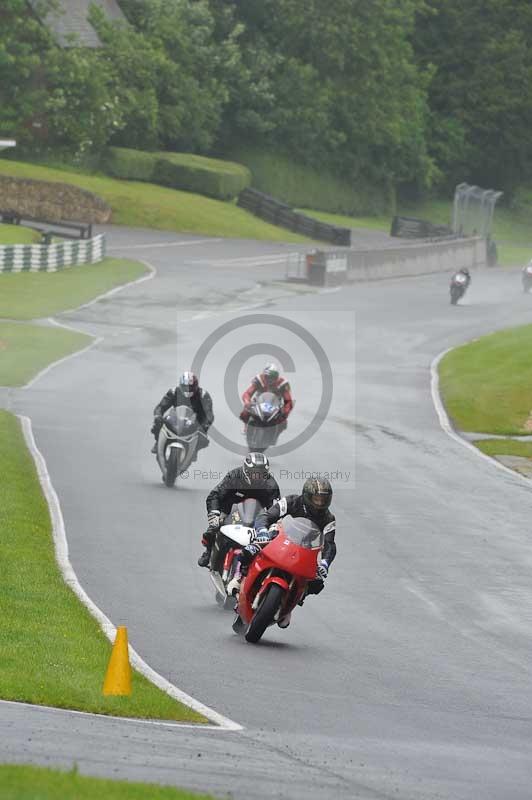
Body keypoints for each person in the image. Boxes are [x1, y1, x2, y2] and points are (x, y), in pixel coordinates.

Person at [227, 478, 336, 625]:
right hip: (278, 535)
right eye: (316, 499)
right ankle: (239, 577)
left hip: (305, 547)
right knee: (250, 549)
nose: (319, 503)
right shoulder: (291, 501)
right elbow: (266, 516)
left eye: (323, 500)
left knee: (317, 581)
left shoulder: (328, 518)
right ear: (307, 495)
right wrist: (262, 531)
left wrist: (324, 563)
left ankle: (292, 603)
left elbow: (329, 544)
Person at [197, 452, 281, 567]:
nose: (258, 476)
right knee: (213, 528)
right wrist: (214, 514)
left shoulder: (271, 485)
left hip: (258, 515)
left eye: (262, 473)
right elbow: (215, 495)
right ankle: (208, 551)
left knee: (272, 537)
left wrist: (273, 524)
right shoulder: (233, 477)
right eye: (255, 473)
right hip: (230, 509)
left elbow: (276, 508)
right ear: (246, 471)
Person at [151, 371, 213, 454]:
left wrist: (205, 424)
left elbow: (209, 413)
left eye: (190, 387)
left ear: (195, 386)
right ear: (180, 385)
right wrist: (158, 416)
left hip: (195, 420)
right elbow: (161, 406)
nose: (188, 390)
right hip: (175, 417)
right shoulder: (173, 392)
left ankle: (194, 450)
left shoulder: (203, 395)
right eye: (185, 386)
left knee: (203, 438)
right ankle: (158, 442)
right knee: (157, 424)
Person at [240, 363, 294, 429]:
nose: (270, 380)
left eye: (273, 378)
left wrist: (286, 411)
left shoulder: (283, 384)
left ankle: (276, 433)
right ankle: (246, 427)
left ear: (277, 377)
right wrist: (247, 402)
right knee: (245, 413)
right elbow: (247, 393)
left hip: (275, 406)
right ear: (264, 375)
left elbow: (288, 401)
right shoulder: (259, 379)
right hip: (258, 403)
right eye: (268, 377)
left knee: (283, 421)